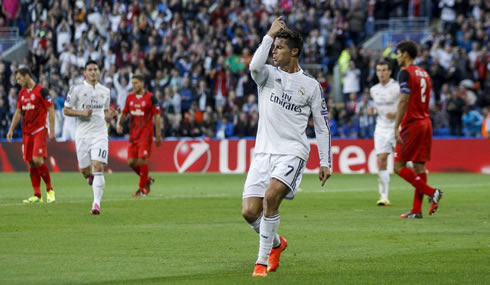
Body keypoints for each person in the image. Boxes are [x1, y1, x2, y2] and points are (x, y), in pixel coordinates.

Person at [242, 17, 332, 277]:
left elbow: (322, 126)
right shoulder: (267, 76)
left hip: (293, 151)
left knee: (271, 198)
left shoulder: (311, 86)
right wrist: (269, 35)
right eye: (273, 47)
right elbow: (254, 65)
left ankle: (261, 262)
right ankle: (278, 243)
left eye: (279, 47)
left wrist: (325, 161)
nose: (274, 51)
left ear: (294, 52)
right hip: (263, 153)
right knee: (249, 212)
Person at [393, 40, 443, 219]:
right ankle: (416, 210)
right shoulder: (424, 73)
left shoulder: (405, 73)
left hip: (412, 124)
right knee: (419, 166)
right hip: (426, 122)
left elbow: (404, 100)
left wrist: (396, 126)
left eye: (398, 53)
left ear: (406, 54)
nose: (397, 57)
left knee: (398, 167)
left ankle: (432, 192)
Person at [63, 60, 116, 215]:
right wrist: (81, 113)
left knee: (98, 166)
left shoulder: (105, 91)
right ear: (84, 73)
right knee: (86, 171)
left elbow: (104, 112)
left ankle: (96, 204)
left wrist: (110, 115)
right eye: (90, 69)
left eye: (96, 69)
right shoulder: (76, 90)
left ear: (99, 72)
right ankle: (90, 178)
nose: (93, 72)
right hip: (82, 135)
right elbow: (66, 111)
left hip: (100, 134)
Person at [6, 68, 56, 204]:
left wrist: (52, 131)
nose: (18, 81)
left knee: (38, 159)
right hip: (26, 132)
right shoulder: (21, 93)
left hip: (39, 130)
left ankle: (50, 190)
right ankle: (37, 195)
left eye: (19, 78)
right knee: (31, 162)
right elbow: (18, 113)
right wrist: (11, 129)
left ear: (27, 76)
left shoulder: (42, 91)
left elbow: (51, 110)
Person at [116, 74, 162, 197]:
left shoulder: (151, 98)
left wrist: (158, 135)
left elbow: (157, 117)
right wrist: (119, 124)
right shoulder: (130, 97)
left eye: (136, 83)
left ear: (142, 83)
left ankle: (142, 189)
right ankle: (147, 179)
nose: (134, 85)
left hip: (146, 136)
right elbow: (125, 112)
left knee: (142, 161)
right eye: (133, 83)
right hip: (133, 135)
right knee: (131, 162)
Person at [369, 60, 400, 206]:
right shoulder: (374, 89)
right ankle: (384, 196)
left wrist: (396, 114)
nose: (381, 73)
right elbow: (377, 108)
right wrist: (372, 111)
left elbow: (406, 105)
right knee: (381, 160)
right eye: (378, 70)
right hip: (381, 128)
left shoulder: (397, 87)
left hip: (397, 127)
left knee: (404, 164)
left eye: (383, 70)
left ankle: (421, 189)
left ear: (389, 72)